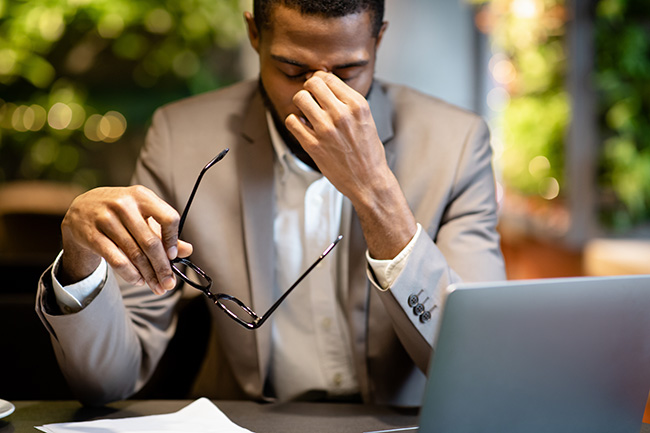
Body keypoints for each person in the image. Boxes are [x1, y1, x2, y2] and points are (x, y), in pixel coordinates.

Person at [36, 0, 505, 407]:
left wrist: (375, 190)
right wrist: (81, 259)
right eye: (292, 70)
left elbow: (480, 369)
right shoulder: (181, 139)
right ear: (254, 33)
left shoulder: (457, 144)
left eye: (347, 70)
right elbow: (107, 381)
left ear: (379, 39)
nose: (316, 96)